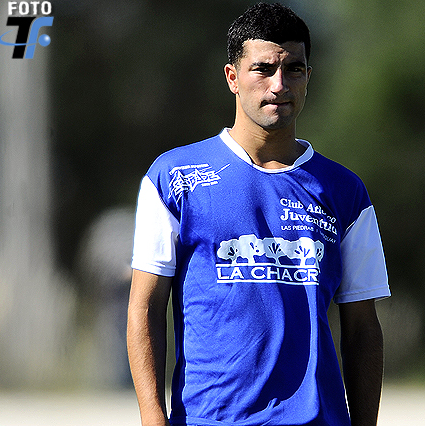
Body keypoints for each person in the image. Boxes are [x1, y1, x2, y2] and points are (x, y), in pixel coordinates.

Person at [126, 3, 390, 426]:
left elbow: (362, 327)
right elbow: (145, 309)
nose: (279, 85)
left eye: (294, 69)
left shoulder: (345, 191)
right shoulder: (173, 178)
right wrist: (153, 419)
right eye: (263, 69)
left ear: (308, 76)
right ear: (232, 77)